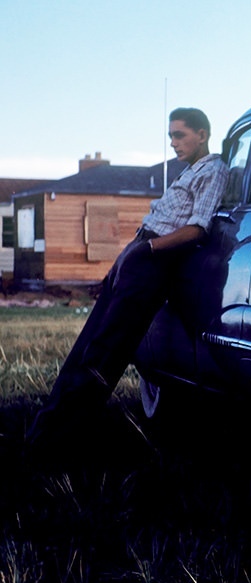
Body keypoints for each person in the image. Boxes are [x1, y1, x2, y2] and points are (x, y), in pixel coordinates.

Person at [26, 108, 228, 451]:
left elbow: (196, 229)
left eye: (180, 135)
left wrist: (146, 249)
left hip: (152, 262)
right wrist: (129, 254)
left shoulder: (214, 170)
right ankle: (42, 431)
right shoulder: (188, 171)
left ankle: (58, 444)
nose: (173, 143)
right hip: (138, 256)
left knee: (104, 353)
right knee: (87, 345)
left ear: (203, 135)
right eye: (170, 137)